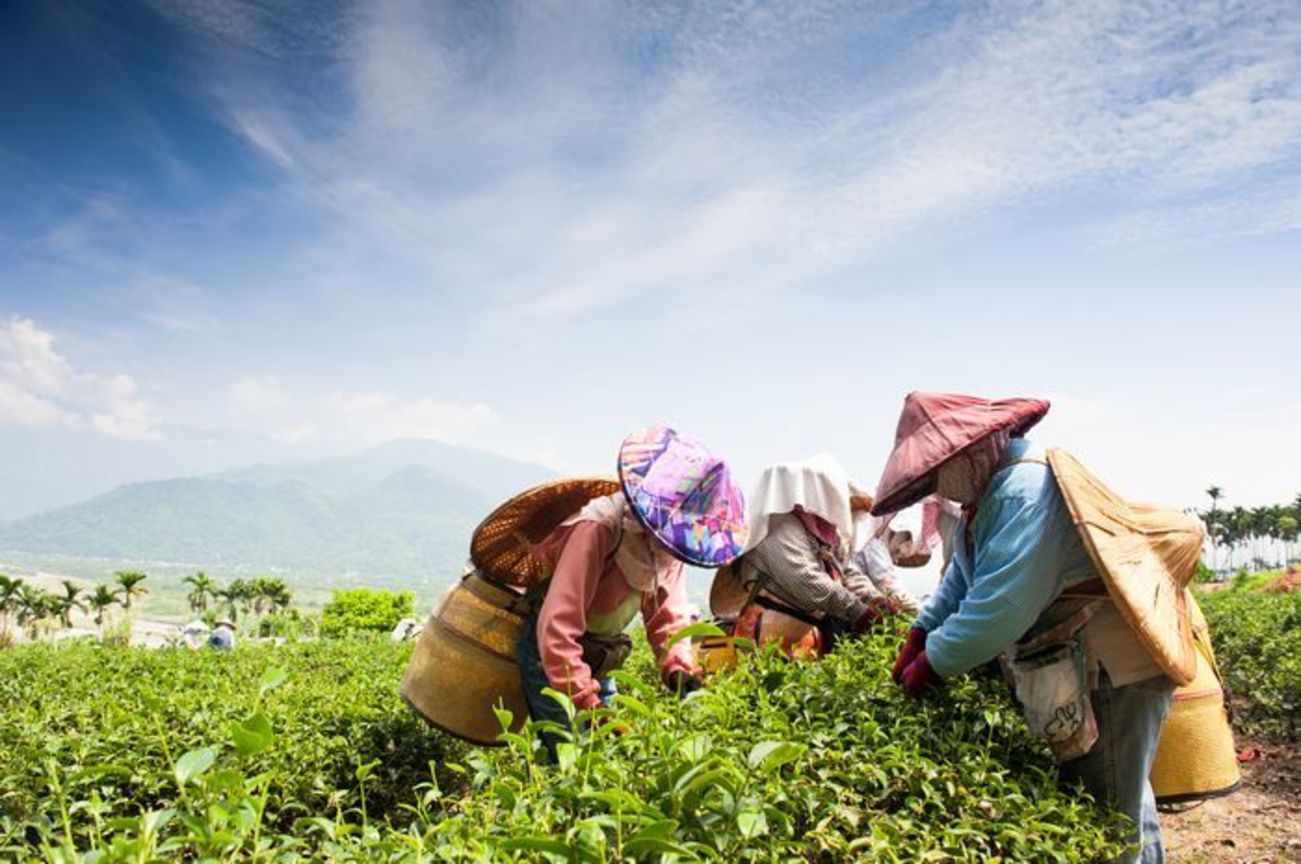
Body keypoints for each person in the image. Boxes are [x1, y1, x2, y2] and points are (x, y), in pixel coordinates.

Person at [871, 392, 1185, 864]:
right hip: (1093, 668)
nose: (942, 487)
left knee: (1109, 819)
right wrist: (921, 631)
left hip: (1111, 671)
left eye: (941, 472)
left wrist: (931, 664)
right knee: (1125, 802)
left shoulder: (1022, 490)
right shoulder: (993, 493)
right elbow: (963, 578)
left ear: (970, 450)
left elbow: (999, 609)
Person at [518, 426, 746, 755]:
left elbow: (668, 619)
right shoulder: (598, 529)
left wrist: (678, 668)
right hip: (553, 656)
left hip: (601, 653)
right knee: (567, 757)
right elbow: (556, 629)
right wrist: (589, 703)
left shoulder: (668, 548)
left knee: (607, 756)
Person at [723, 455, 902, 659]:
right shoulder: (777, 527)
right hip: (768, 638)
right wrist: (859, 612)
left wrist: (876, 599)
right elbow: (805, 579)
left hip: (805, 637)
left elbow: (848, 571)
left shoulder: (822, 531)